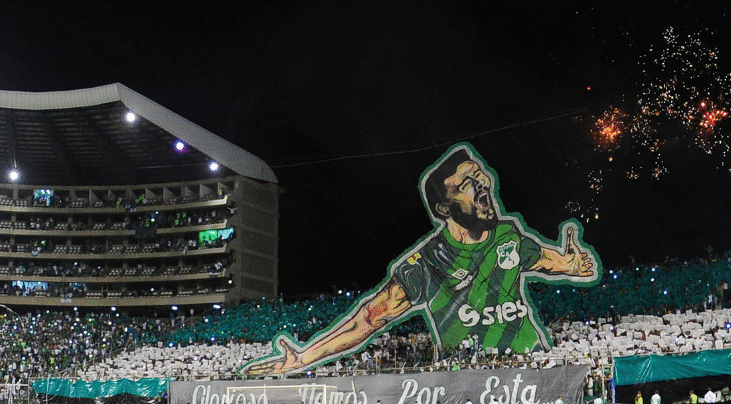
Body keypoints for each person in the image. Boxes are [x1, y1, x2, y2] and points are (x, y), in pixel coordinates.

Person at [240, 146, 600, 376]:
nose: (484, 183)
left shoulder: (510, 237)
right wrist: (304, 357)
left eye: (481, 175)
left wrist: (574, 265)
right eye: (469, 183)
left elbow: (558, 263)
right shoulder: (425, 263)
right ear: (444, 208)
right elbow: (365, 321)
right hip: (469, 377)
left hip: (534, 367)